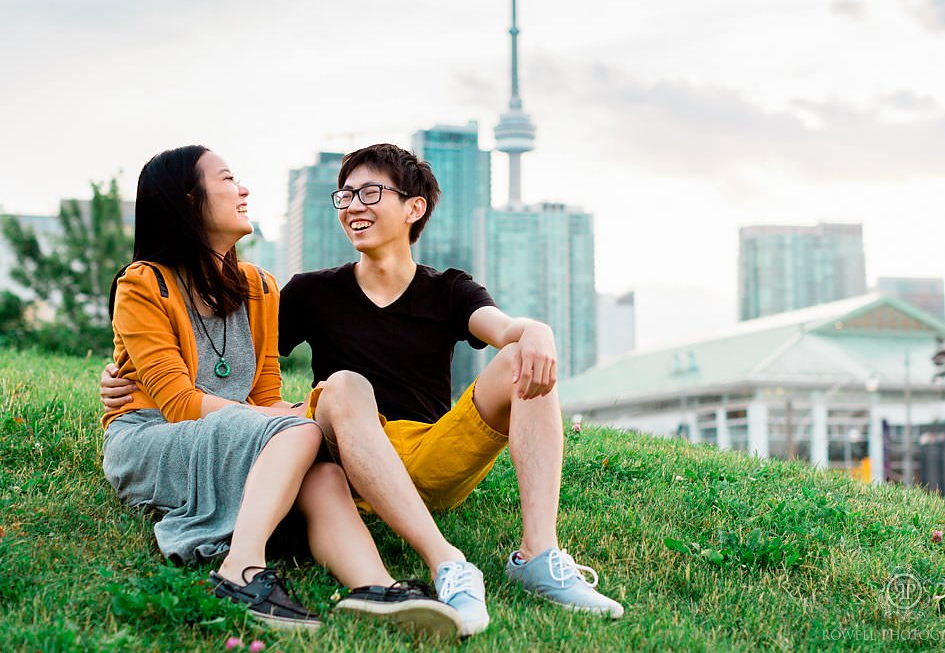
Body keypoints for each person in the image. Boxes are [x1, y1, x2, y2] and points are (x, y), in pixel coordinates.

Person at [103, 143, 623, 626]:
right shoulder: (299, 291)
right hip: (344, 446)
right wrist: (125, 376)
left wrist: (534, 330)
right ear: (188, 201)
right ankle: (414, 569)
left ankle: (521, 559)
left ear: (413, 209)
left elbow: (258, 390)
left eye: (370, 192)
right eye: (345, 194)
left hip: (424, 448)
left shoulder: (438, 289)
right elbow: (197, 382)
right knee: (332, 400)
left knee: (522, 360)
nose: (354, 204)